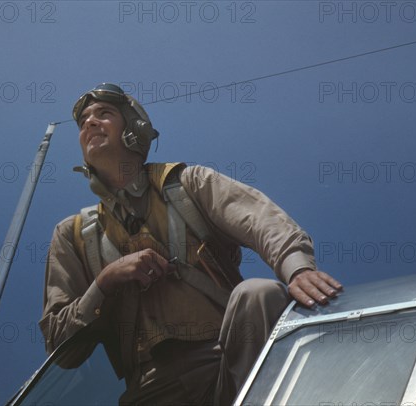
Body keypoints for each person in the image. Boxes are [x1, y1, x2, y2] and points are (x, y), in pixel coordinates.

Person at [39, 83, 343, 405]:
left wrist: (296, 269)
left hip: (230, 358)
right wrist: (105, 281)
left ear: (134, 127)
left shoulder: (187, 183)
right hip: (150, 388)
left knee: (258, 293)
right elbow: (61, 346)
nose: (89, 123)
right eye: (84, 120)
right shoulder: (72, 234)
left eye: (104, 114)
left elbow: (260, 219)